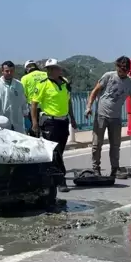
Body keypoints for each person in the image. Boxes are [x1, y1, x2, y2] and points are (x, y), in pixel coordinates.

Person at [85, 56, 131, 179]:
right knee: (96, 144)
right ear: (117, 67)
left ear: (128, 70)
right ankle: (96, 168)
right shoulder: (108, 76)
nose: (122, 72)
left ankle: (115, 169)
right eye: (120, 69)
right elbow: (94, 91)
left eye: (125, 70)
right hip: (101, 115)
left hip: (116, 117)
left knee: (115, 145)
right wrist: (89, 107)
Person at [30, 58, 78, 192]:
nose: (52, 71)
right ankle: (61, 180)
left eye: (54, 68)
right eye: (49, 68)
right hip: (50, 122)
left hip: (63, 121)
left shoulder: (65, 83)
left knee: (60, 151)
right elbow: (34, 104)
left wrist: (72, 118)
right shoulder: (42, 84)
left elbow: (69, 102)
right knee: (55, 152)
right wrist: (34, 123)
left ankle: (50, 176)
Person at [0, 61, 28, 133]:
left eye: (11, 71)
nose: (9, 73)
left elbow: (23, 101)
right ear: (2, 71)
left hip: (16, 123)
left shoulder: (19, 85)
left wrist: (26, 114)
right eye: (7, 71)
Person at [21, 60, 47, 135]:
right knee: (48, 131)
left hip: (33, 108)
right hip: (47, 107)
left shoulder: (25, 78)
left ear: (26, 69)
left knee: (34, 131)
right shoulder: (46, 74)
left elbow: (23, 94)